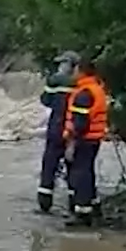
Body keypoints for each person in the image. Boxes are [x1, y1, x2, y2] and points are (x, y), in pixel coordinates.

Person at [63, 58, 110, 227]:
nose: (73, 73)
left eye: (75, 70)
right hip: (93, 139)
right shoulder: (96, 89)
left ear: (81, 71)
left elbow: (80, 123)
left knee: (80, 175)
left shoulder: (84, 93)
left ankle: (82, 214)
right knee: (87, 172)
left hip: (84, 139)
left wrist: (71, 144)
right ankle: (93, 208)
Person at [37, 51, 79, 213]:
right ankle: (74, 204)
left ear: (68, 64)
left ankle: (44, 204)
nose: (60, 66)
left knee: (49, 166)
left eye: (62, 63)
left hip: (56, 128)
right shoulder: (80, 82)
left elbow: (45, 100)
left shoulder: (55, 80)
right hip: (75, 130)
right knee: (74, 167)